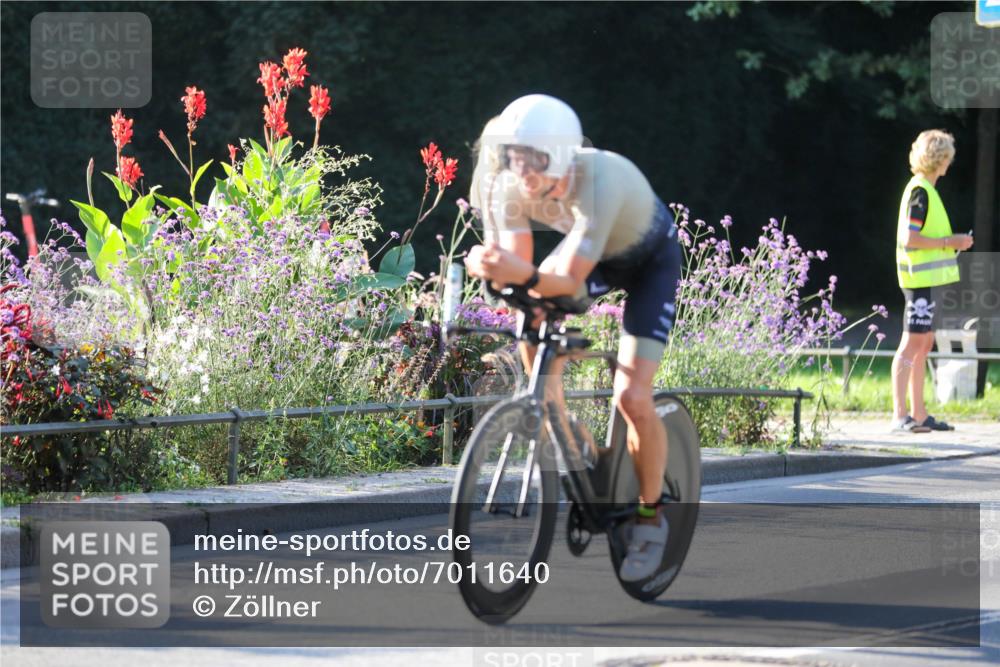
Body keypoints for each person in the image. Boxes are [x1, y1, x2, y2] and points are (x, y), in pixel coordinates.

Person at [463, 94, 681, 581]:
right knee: (535, 327)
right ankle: (573, 438)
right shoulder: (509, 185)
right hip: (596, 253)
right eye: (513, 158)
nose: (522, 171)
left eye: (534, 160)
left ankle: (652, 517)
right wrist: (495, 269)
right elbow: (524, 278)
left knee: (632, 397)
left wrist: (518, 272)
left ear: (561, 155)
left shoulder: (600, 179)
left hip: (649, 262)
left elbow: (565, 281)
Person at [891, 129, 973, 432]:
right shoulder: (921, 191)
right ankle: (901, 415)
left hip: (926, 282)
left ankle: (920, 414)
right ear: (941, 159)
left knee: (923, 344)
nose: (949, 164)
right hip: (918, 281)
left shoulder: (925, 190)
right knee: (912, 344)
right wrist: (951, 240)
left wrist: (952, 242)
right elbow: (911, 239)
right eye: (948, 157)